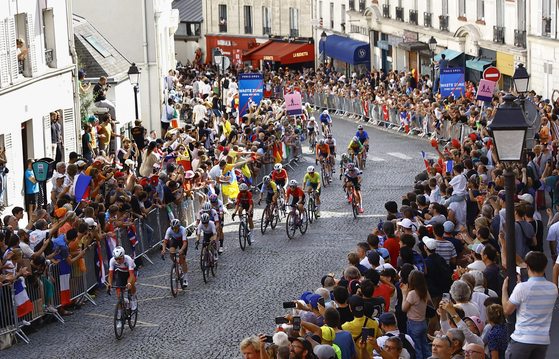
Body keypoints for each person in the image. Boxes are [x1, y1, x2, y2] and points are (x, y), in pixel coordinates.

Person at [503, 251, 557, 359]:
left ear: (527, 266)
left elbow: (507, 310)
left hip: (522, 339)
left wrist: (504, 290)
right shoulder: (553, 288)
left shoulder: (522, 288)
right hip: (542, 340)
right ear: (545, 267)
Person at [401, 270, 431, 359]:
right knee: (425, 347)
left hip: (413, 324)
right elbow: (428, 300)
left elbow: (404, 308)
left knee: (417, 349)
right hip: (423, 322)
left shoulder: (412, 293)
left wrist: (404, 294)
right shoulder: (424, 291)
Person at [106, 246, 137, 329]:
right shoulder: (112, 260)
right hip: (121, 274)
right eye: (116, 259)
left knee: (131, 284)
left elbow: (131, 275)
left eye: (120, 259)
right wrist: (109, 284)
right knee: (119, 296)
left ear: (123, 256)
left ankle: (133, 299)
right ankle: (120, 318)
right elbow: (110, 274)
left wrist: (130, 283)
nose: (118, 261)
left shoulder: (128, 260)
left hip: (131, 273)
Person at [161, 219, 189, 287]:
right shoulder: (169, 230)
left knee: (183, 259)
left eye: (176, 228)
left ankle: (185, 278)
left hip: (182, 241)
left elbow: (185, 243)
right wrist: (163, 250)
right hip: (175, 240)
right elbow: (165, 242)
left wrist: (181, 249)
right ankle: (175, 263)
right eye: (173, 228)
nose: (174, 230)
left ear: (179, 227)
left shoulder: (183, 230)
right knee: (171, 252)